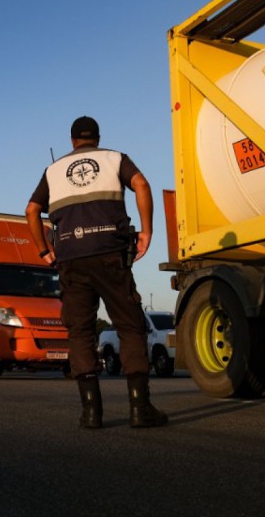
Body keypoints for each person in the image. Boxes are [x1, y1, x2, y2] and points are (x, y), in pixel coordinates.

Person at [26, 116, 167, 429]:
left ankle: (91, 412)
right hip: (110, 255)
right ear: (97, 138)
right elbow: (142, 184)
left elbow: (32, 210)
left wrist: (43, 250)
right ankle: (140, 408)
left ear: (72, 140)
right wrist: (147, 231)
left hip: (71, 259)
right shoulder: (115, 158)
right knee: (130, 326)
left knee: (80, 332)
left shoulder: (53, 171)